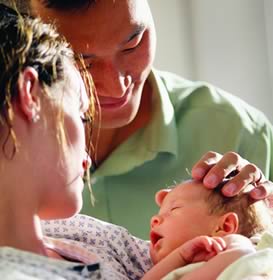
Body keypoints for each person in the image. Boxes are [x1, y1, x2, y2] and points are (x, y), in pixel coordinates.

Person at [4, 0, 273, 239]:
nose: (117, 86)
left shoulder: (240, 133)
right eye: (82, 61)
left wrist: (261, 221)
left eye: (133, 43)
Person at [0, 4, 153, 279]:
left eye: (132, 44)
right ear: (29, 95)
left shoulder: (80, 234)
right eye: (82, 115)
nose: (88, 152)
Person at [142, 179, 273, 279]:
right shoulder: (168, 269)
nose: (154, 219)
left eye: (174, 208)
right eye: (159, 213)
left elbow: (243, 255)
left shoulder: (236, 245)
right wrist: (180, 255)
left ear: (224, 226)